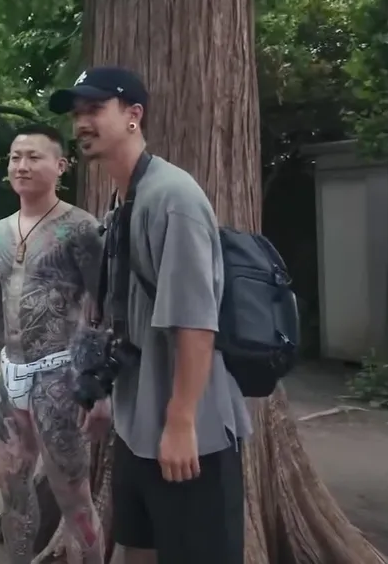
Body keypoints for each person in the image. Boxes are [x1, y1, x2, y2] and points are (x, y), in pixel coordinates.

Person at [49, 67, 251, 564]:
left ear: (133, 115)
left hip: (191, 438)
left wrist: (181, 421)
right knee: (137, 549)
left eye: (95, 109)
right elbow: (125, 314)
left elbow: (196, 322)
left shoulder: (172, 197)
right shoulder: (123, 200)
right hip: (137, 430)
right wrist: (103, 393)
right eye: (77, 113)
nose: (82, 123)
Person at [0, 123, 107, 563]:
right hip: (9, 376)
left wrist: (100, 389)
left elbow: (105, 311)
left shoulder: (82, 229)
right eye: (15, 157)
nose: (22, 166)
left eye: (34, 157)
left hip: (60, 377)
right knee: (12, 493)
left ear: (60, 165)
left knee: (75, 499)